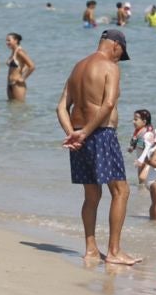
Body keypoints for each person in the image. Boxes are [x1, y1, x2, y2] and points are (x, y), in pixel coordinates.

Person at [56, 29, 141, 267]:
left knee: (91, 195)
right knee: (121, 191)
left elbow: (61, 107)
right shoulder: (110, 67)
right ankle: (114, 251)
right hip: (101, 134)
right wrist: (85, 132)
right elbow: (109, 103)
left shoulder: (77, 67)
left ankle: (91, 250)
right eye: (121, 54)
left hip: (79, 137)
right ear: (116, 45)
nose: (119, 59)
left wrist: (73, 133)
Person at [4, 32, 35, 101]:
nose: (7, 42)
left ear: (16, 41)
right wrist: (22, 70)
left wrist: (23, 78)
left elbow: (32, 66)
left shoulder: (20, 52)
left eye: (9, 40)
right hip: (10, 83)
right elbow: (25, 65)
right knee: (11, 106)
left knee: (19, 106)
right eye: (6, 40)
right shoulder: (13, 52)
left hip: (17, 84)